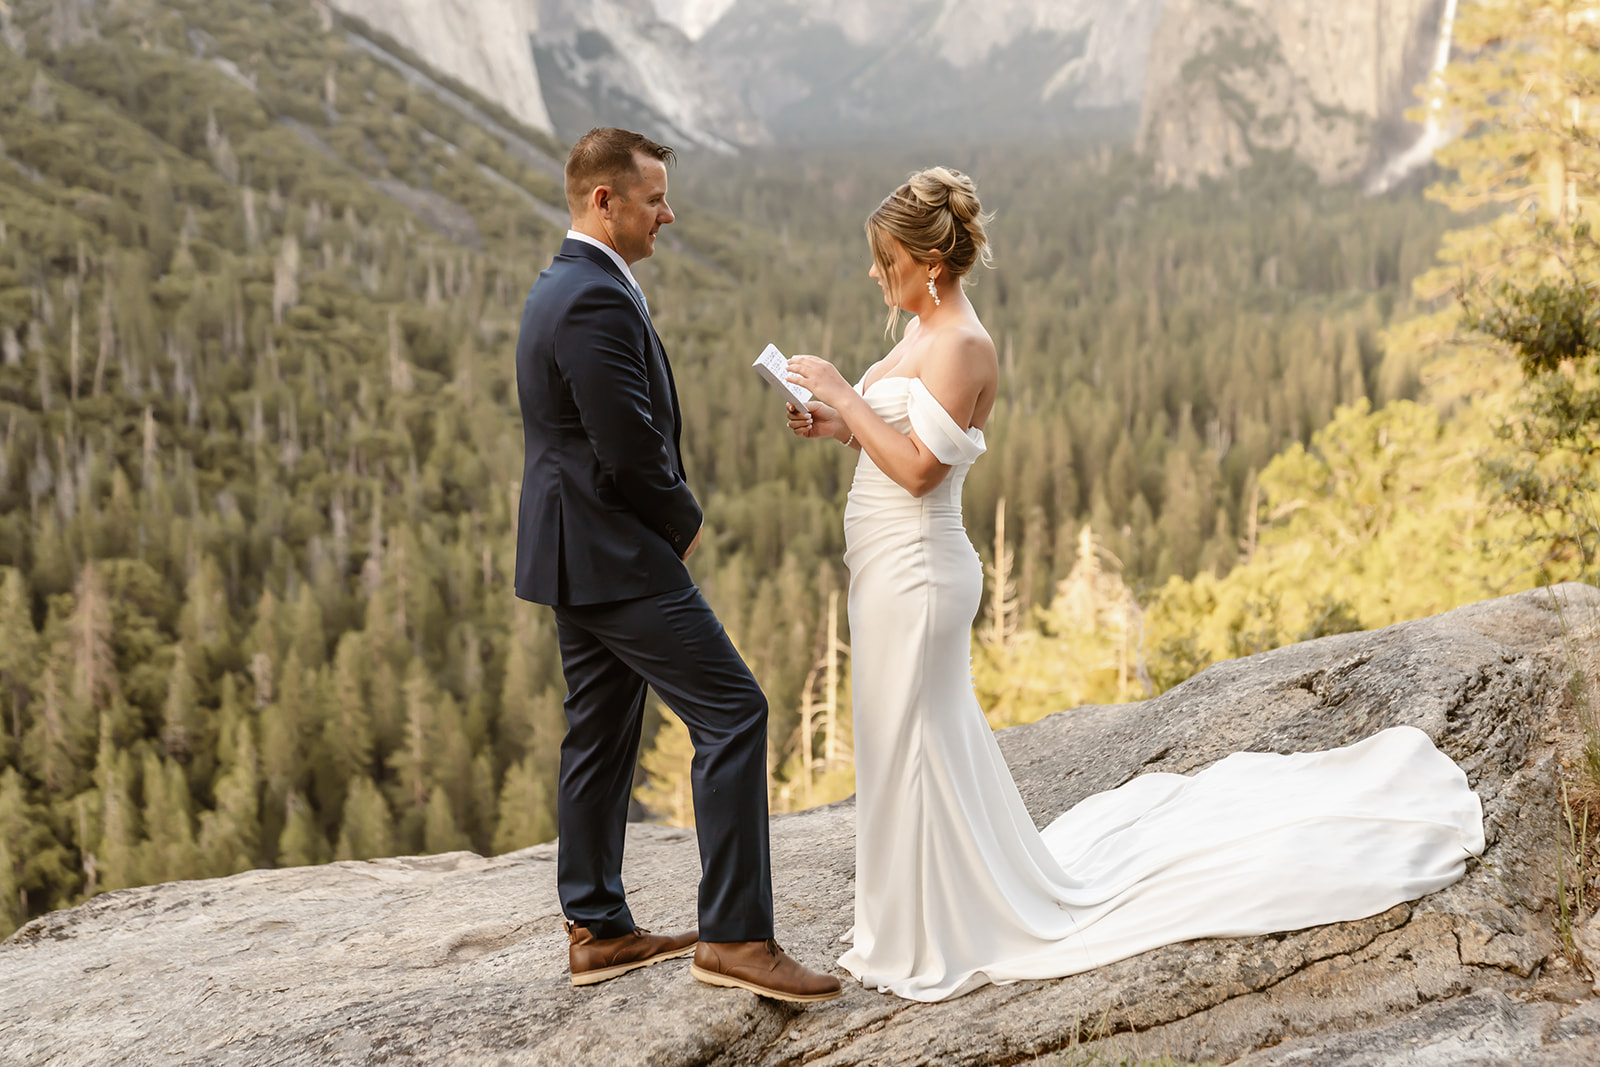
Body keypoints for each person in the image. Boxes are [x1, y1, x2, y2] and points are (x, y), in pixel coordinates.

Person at [782, 167, 1485, 1002]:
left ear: (928, 261)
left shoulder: (963, 342)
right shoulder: (916, 333)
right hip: (884, 569)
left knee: (916, 742)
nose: (875, 273)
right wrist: (831, 419)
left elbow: (923, 470)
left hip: (920, 574)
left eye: (885, 258)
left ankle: (940, 924)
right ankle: (909, 917)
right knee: (901, 740)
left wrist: (838, 389)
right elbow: (884, 439)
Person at [513, 126, 840, 1003]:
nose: (671, 212)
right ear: (604, 201)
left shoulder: (571, 282)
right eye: (655, 198)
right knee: (734, 713)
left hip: (571, 551)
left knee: (600, 729)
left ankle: (598, 928)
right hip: (617, 551)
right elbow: (624, 442)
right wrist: (680, 519)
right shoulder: (591, 299)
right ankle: (735, 936)